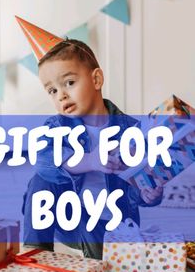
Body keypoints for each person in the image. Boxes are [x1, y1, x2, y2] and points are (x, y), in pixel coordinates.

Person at [17, 17, 163, 259]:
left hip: (111, 223)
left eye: (69, 83)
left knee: (104, 271)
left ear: (96, 79)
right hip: (69, 219)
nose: (61, 96)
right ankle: (35, 251)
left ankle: (101, 266)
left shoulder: (133, 131)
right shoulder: (56, 127)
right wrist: (91, 160)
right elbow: (44, 162)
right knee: (40, 180)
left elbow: (136, 190)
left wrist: (150, 194)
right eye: (52, 90)